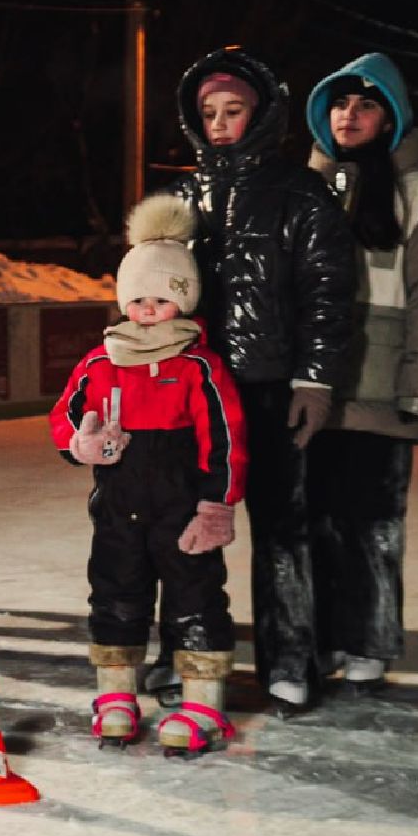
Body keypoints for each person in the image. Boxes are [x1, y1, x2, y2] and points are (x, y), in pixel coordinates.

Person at [150, 46, 356, 714]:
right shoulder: (177, 199)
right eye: (207, 112)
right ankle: (183, 656)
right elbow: (148, 293)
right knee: (183, 529)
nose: (217, 123)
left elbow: (327, 293)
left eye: (231, 110)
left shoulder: (301, 192)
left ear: (261, 114)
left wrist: (315, 380)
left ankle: (289, 659)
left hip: (270, 386)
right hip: (193, 391)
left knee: (283, 527)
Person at [51, 196, 248, 755]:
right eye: (137, 299)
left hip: (182, 511)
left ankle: (203, 699)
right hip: (117, 510)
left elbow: (227, 439)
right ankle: (116, 694)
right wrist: (80, 443)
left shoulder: (198, 366)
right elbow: (64, 415)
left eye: (162, 299)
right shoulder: (102, 360)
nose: (147, 309)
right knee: (115, 596)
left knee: (195, 599)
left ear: (183, 302)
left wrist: (217, 505)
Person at [303, 51, 418, 691]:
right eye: (340, 103)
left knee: (371, 530)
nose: (350, 115)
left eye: (366, 104)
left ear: (390, 116)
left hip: (382, 394)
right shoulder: (305, 189)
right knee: (314, 527)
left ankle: (368, 642)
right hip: (312, 393)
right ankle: (320, 640)